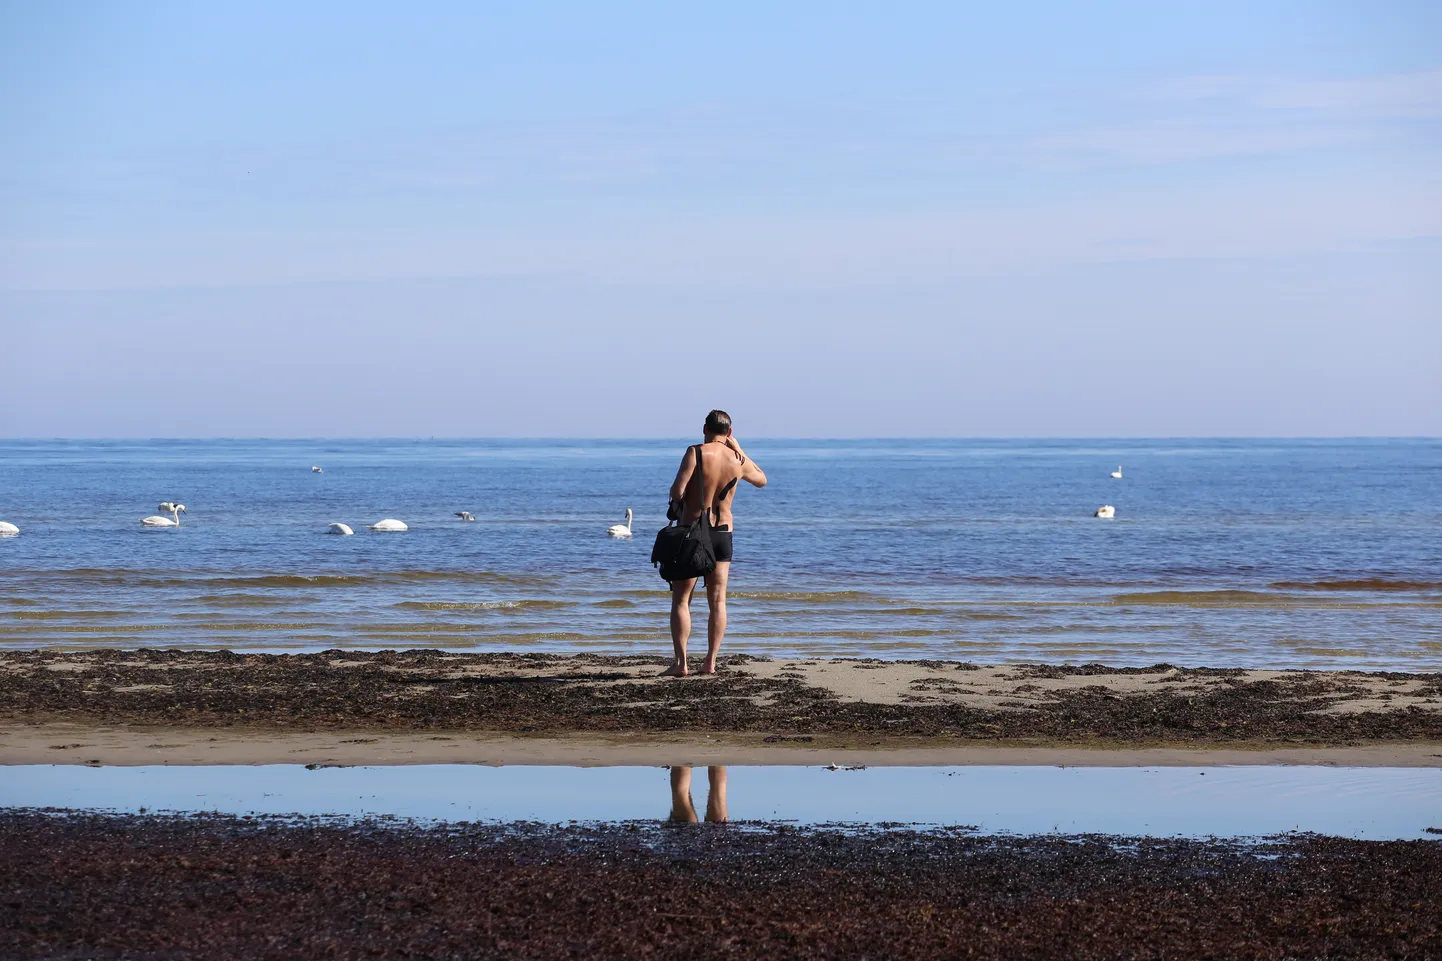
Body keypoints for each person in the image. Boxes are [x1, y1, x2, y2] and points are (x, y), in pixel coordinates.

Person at [662, 409, 767, 676]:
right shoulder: (738, 459)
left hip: (692, 532)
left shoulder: (696, 452)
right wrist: (739, 449)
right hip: (722, 533)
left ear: (704, 429)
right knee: (718, 600)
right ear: (729, 433)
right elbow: (761, 480)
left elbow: (677, 491)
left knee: (681, 599)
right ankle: (710, 662)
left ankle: (681, 664)